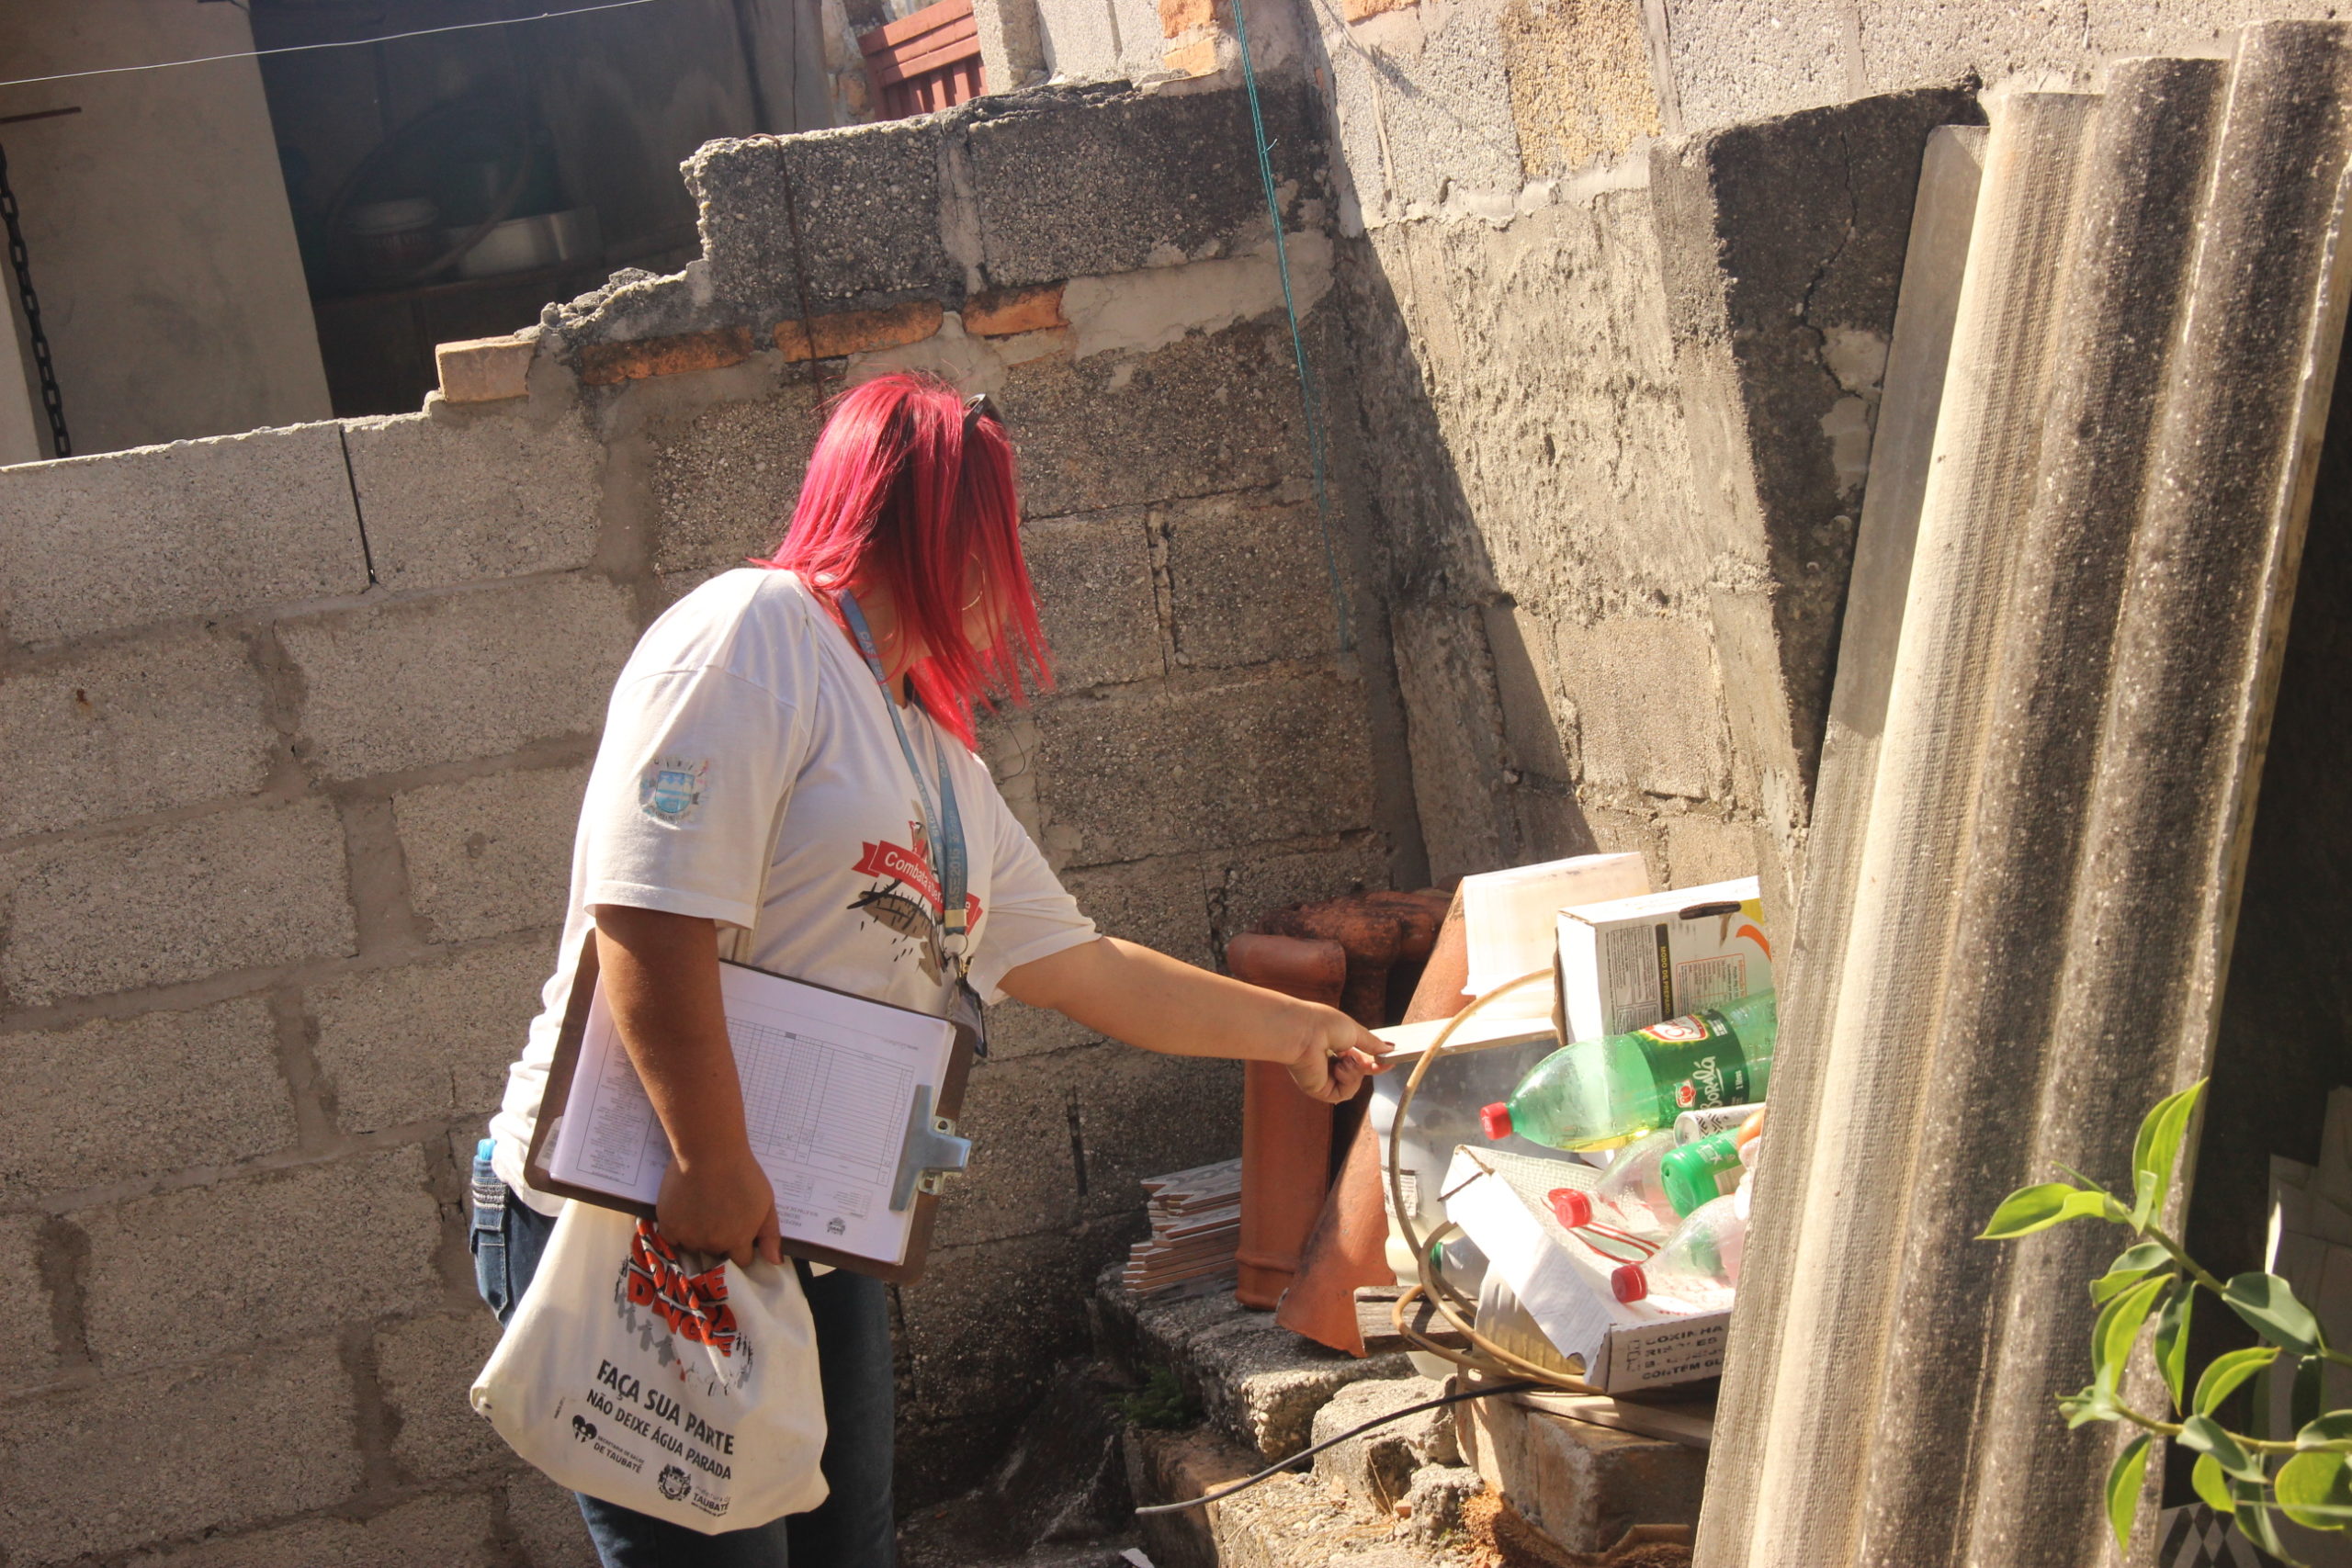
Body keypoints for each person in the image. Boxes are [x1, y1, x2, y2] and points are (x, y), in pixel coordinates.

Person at [471, 371, 1390, 1568]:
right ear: (932, 526)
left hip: (795, 1224)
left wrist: (1296, 1030)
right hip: (650, 1208)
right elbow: (647, 916)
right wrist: (708, 1161)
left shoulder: (933, 757)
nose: (1006, 573)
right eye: (991, 530)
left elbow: (1082, 965)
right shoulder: (754, 638)